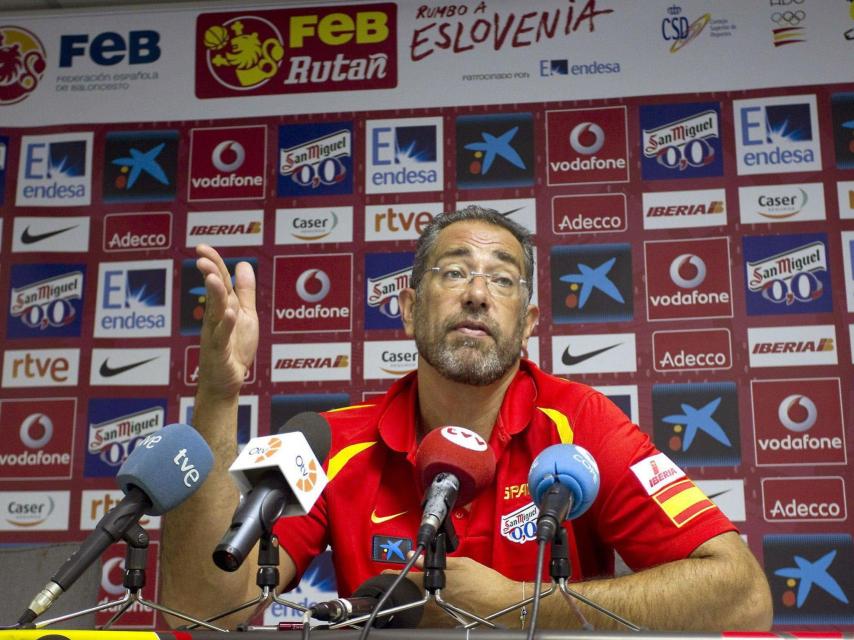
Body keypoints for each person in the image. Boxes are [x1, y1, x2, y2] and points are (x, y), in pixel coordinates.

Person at [160, 206, 773, 631]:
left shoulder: (580, 424)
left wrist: (517, 606)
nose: (477, 294)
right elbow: (200, 611)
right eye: (454, 272)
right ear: (407, 308)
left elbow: (743, 598)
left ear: (528, 324)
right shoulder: (330, 440)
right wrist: (217, 392)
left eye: (502, 280)